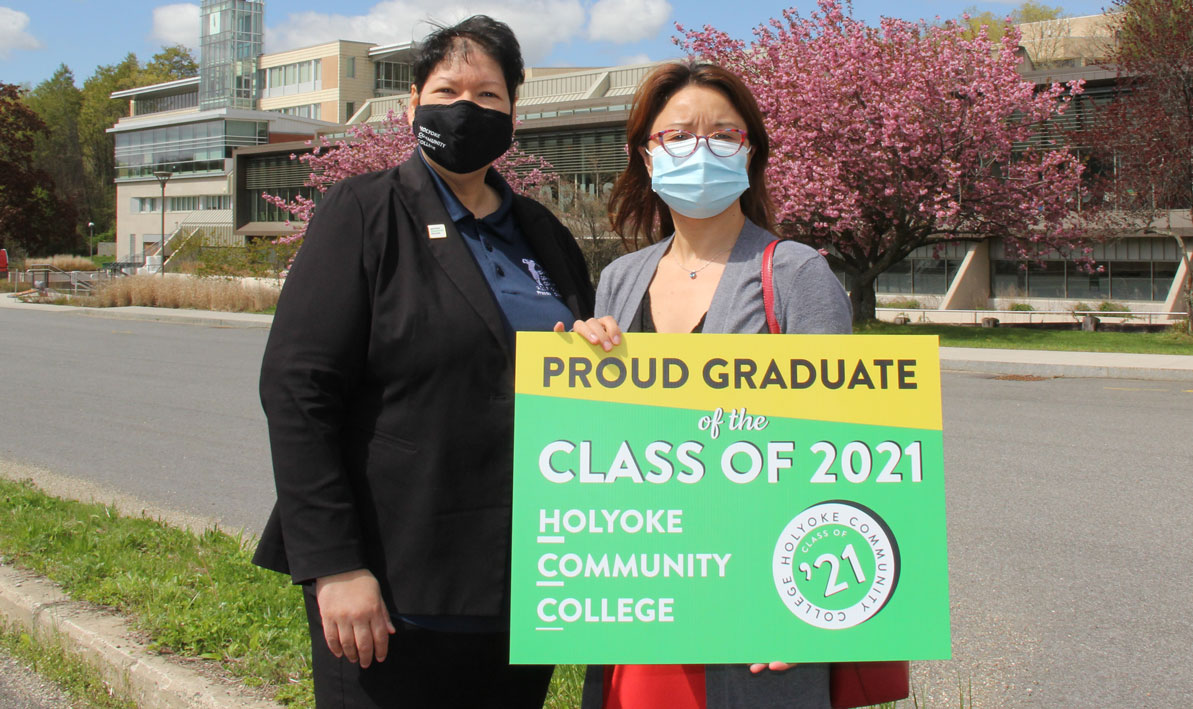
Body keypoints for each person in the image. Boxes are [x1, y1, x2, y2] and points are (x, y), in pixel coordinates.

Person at [252, 16, 595, 709]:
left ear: (514, 114)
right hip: (390, 585)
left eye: (489, 96)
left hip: (521, 582)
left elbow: (583, 382)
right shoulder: (364, 211)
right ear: (412, 105)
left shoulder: (543, 233)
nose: (466, 108)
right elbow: (297, 390)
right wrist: (335, 565)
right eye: (448, 89)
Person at [566, 62, 852, 709]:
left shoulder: (797, 273)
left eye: (721, 133)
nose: (699, 149)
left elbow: (838, 448)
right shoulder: (619, 280)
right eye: (676, 135)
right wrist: (578, 373)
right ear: (644, 155)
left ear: (748, 152)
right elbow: (601, 449)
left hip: (757, 611)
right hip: (644, 592)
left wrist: (809, 605)